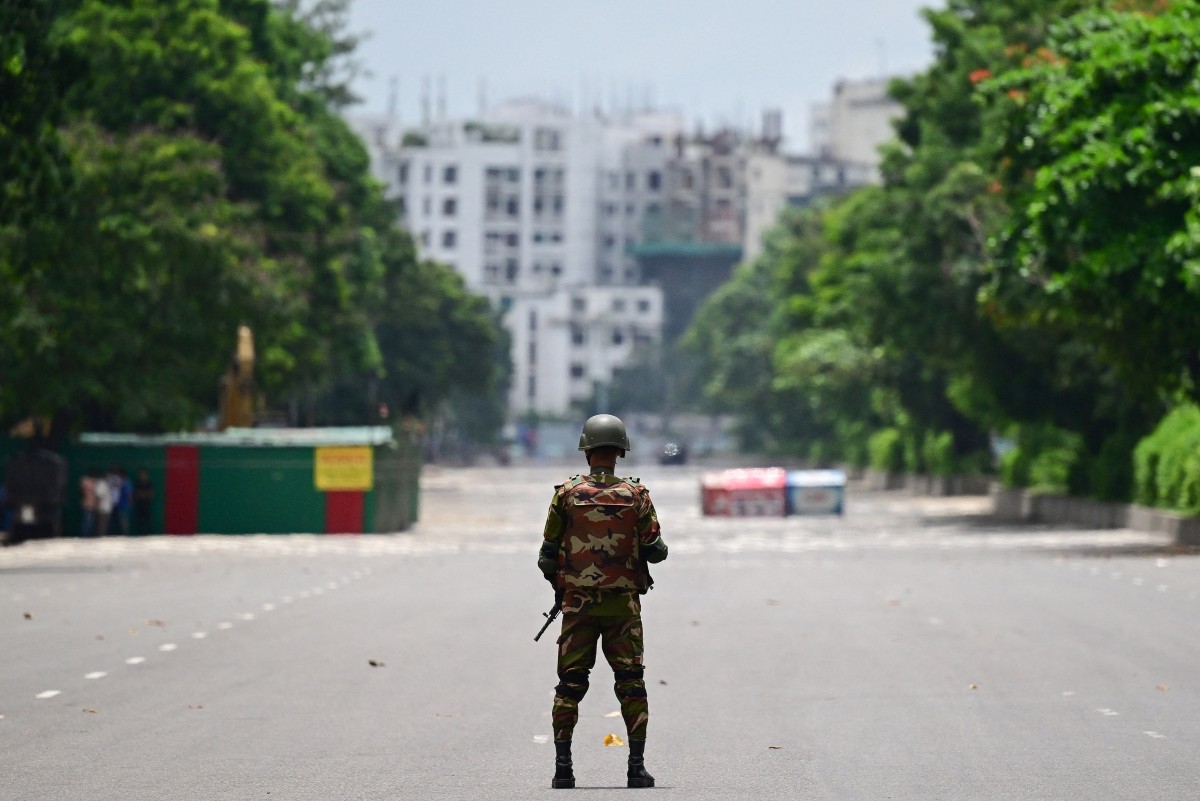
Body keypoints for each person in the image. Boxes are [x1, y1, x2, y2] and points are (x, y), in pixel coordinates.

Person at [537, 414, 669, 790]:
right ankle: (635, 769)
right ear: (620, 452)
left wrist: (563, 586)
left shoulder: (566, 494)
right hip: (623, 611)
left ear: (587, 451)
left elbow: (546, 555)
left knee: (569, 687)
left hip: (578, 609)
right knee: (631, 684)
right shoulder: (637, 496)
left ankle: (563, 769)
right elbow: (656, 552)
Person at [133, 468, 154, 535]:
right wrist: (144, 494)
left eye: (143, 474)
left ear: (146, 475)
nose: (142, 475)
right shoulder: (137, 484)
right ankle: (140, 535)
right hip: (139, 505)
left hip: (147, 505)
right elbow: (137, 494)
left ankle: (151, 534)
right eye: (141, 474)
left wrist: (143, 494)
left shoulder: (149, 483)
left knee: (148, 521)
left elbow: (151, 494)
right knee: (139, 521)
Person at [112, 467, 133, 536]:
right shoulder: (121, 483)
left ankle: (125, 535)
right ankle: (123, 535)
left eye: (118, 475)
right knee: (121, 522)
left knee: (124, 522)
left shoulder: (126, 483)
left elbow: (129, 494)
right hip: (120, 505)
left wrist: (129, 503)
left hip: (125, 506)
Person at [94, 470, 113, 537]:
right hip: (102, 508)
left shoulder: (106, 484)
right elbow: (98, 495)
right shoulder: (101, 484)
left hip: (107, 508)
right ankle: (100, 536)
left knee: (105, 524)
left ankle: (102, 536)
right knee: (101, 524)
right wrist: (98, 506)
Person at [80, 470, 98, 537]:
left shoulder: (85, 481)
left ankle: (87, 535)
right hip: (88, 504)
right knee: (87, 521)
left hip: (91, 504)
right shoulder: (88, 482)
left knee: (89, 521)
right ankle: (85, 535)